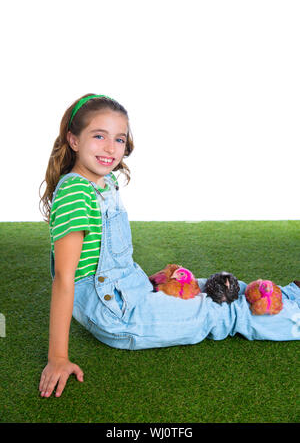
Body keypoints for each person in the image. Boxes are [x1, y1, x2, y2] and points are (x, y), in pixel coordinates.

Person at [39, 93, 300, 398]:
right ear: (73, 140)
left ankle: (292, 295)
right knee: (220, 313)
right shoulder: (74, 192)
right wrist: (57, 357)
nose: (111, 148)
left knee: (221, 288)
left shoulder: (104, 182)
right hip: (116, 313)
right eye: (99, 136)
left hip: (129, 289)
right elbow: (64, 280)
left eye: (119, 139)